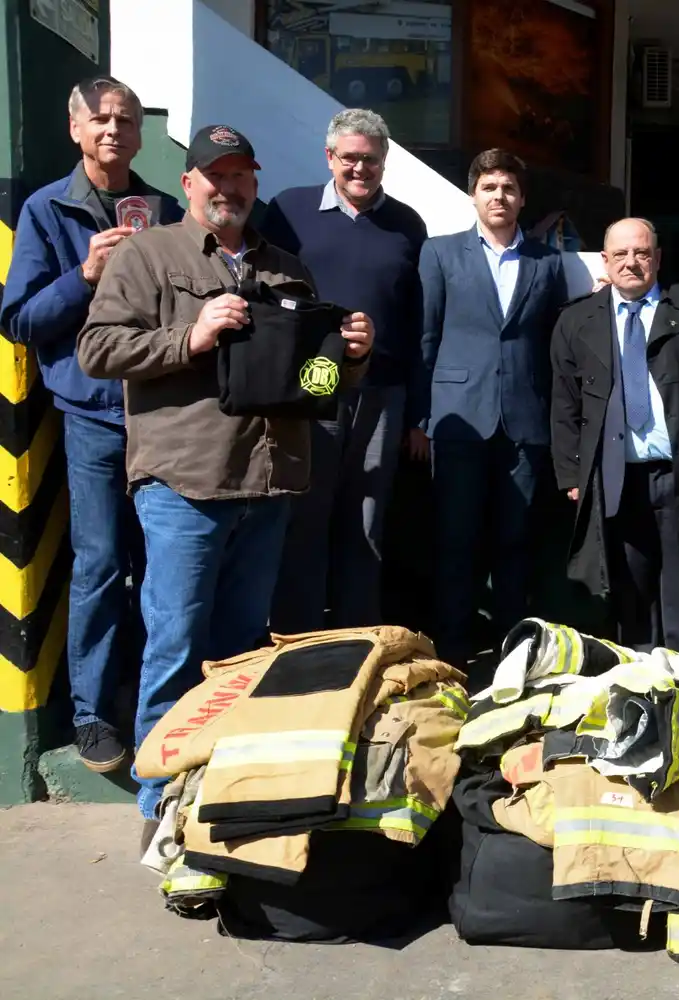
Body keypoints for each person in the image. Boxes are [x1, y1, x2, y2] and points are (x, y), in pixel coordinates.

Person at [76, 123, 374, 831]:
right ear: (188, 184)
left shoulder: (286, 268)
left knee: (242, 657)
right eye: (216, 174)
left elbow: (314, 380)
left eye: (242, 175)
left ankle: (222, 796)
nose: (229, 187)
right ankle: (159, 805)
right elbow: (97, 348)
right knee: (176, 648)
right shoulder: (149, 256)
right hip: (185, 484)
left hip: (268, 484)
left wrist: (352, 357)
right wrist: (191, 334)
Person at [0, 75, 181, 774]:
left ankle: (154, 705)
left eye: (127, 120)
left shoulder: (163, 209)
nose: (114, 130)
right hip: (94, 418)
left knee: (162, 567)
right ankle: (93, 714)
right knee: (102, 566)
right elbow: (19, 320)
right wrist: (85, 272)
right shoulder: (48, 209)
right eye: (101, 119)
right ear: (76, 129)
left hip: (163, 414)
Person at [261, 109, 427, 634]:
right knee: (304, 520)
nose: (360, 168)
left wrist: (416, 410)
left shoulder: (407, 224)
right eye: (350, 157)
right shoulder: (289, 211)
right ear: (329, 157)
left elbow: (417, 320)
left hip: (380, 391)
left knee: (368, 522)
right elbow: (263, 291)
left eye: (370, 159)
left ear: (385, 161)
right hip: (314, 385)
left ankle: (359, 643)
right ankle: (298, 643)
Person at [551, 218, 679, 651]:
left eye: (641, 253)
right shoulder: (577, 320)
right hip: (617, 477)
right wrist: (571, 475)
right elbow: (565, 404)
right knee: (629, 593)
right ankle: (637, 685)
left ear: (657, 259)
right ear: (605, 261)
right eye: (620, 254)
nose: (631, 263)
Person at [412, 149, 569, 679]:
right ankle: (452, 659)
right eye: (488, 187)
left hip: (526, 422)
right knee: (456, 542)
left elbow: (554, 344)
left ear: (522, 198)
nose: (498, 196)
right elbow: (427, 338)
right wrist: (420, 417)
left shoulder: (548, 261)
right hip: (457, 419)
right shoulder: (440, 253)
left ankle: (512, 660)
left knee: (515, 545)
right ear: (474, 195)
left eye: (508, 188)